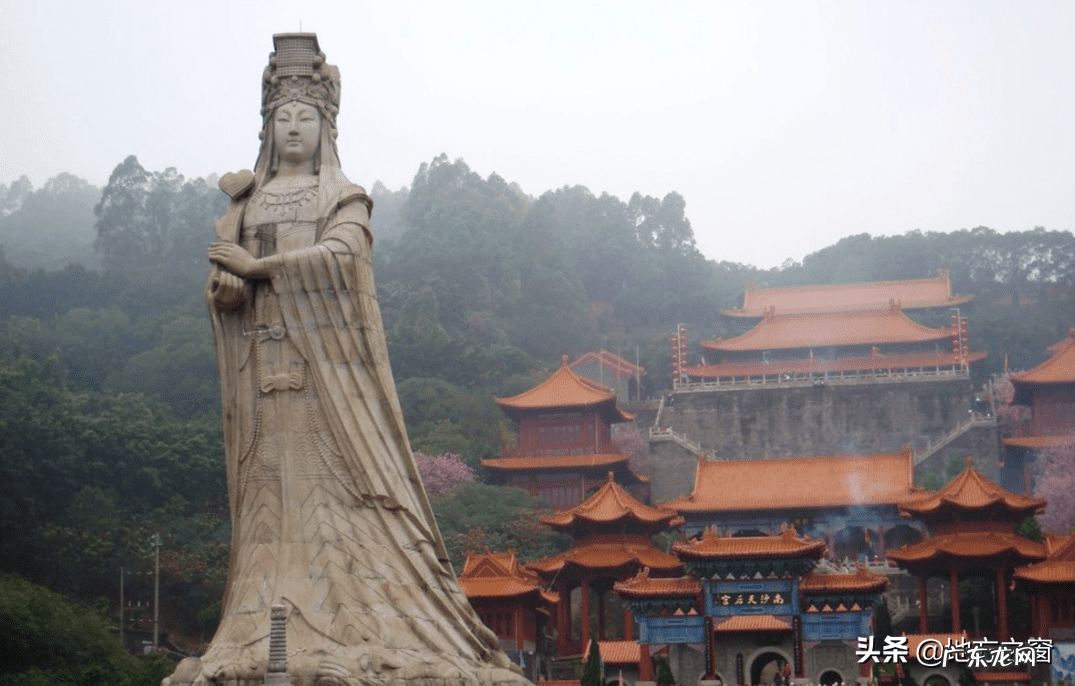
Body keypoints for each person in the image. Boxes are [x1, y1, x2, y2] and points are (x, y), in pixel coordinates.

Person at [165, 34, 524, 686]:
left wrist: (261, 266)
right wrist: (227, 287)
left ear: (325, 126)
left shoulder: (343, 198)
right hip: (268, 385)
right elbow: (228, 290)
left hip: (330, 385)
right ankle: (260, 632)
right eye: (283, 117)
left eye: (306, 117)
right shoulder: (245, 207)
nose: (294, 127)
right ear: (268, 128)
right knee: (269, 506)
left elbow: (343, 259)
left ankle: (361, 626)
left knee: (341, 503)